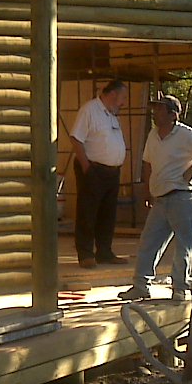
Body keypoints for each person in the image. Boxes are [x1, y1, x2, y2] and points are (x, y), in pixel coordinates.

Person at [121, 93, 192, 301]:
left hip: (183, 196)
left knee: (183, 244)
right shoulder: (153, 134)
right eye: (155, 109)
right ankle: (141, 286)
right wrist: (147, 189)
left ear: (173, 115)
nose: (155, 113)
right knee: (149, 241)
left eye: (160, 109)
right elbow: (147, 163)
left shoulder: (185, 134)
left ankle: (180, 288)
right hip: (161, 197)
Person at [68, 79, 129, 268]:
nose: (123, 102)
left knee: (107, 214)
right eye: (123, 97)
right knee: (88, 212)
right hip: (93, 169)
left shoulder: (112, 114)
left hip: (112, 172)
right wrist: (86, 167)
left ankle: (104, 252)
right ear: (113, 94)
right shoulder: (90, 110)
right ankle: (85, 254)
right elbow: (76, 138)